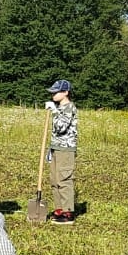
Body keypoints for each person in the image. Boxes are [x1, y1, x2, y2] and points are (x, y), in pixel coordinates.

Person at [45, 79, 78, 223]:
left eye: (56, 92)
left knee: (64, 179)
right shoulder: (59, 108)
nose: (53, 94)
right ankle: (59, 209)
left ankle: (68, 212)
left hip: (66, 149)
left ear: (66, 92)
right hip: (56, 148)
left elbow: (61, 127)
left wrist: (54, 111)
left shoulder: (69, 107)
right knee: (54, 180)